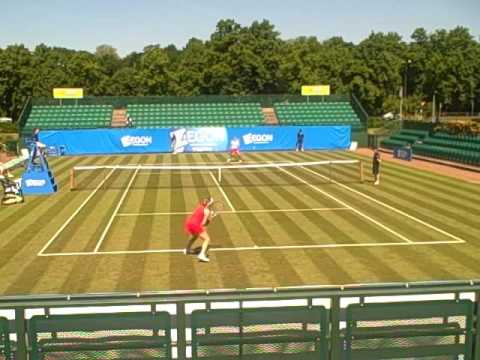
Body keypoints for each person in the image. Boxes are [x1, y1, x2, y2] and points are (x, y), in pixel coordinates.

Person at [184, 197, 215, 262]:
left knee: (195, 236)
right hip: (195, 225)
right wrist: (211, 217)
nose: (212, 204)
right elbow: (203, 223)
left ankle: (187, 250)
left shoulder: (200, 206)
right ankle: (202, 254)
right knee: (207, 239)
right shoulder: (207, 211)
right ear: (209, 203)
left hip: (189, 223)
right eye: (212, 202)